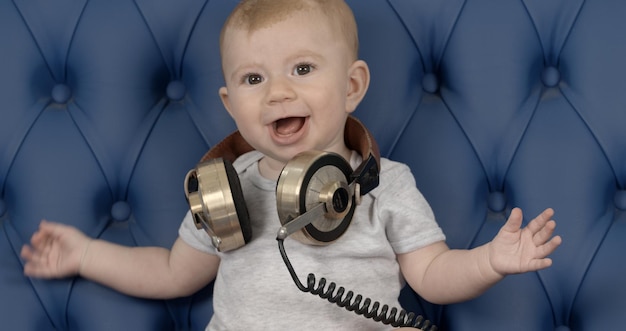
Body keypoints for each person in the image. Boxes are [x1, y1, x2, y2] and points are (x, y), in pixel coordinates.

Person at [20, 0, 562, 330]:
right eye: (254, 79)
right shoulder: (224, 192)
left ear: (352, 87)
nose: (278, 92)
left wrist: (489, 261)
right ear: (231, 105)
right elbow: (170, 273)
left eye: (302, 68)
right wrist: (85, 254)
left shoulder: (384, 183)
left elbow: (434, 275)